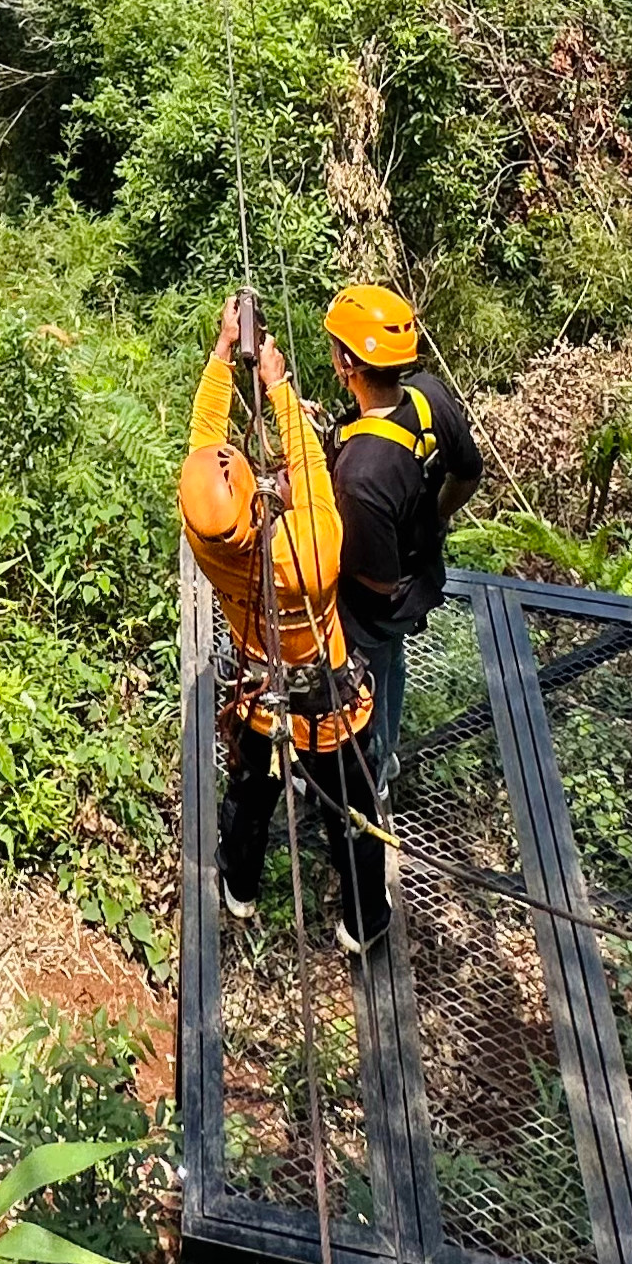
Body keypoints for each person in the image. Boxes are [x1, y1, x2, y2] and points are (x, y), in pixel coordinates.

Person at [178, 294, 390, 953]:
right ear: (256, 502)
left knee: (250, 794)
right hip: (327, 703)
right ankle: (363, 919)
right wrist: (276, 387)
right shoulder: (310, 549)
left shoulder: (207, 534)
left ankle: (239, 885)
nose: (231, 458)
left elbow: (205, 440)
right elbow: (313, 469)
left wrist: (222, 354)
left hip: (257, 696)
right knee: (351, 816)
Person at [322, 280, 483, 787]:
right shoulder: (428, 396)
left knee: (361, 680)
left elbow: (375, 583)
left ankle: (365, 775)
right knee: (391, 664)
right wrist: (435, 517)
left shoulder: (362, 473)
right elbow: (469, 471)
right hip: (420, 572)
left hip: (379, 601)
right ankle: (386, 753)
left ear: (348, 364)